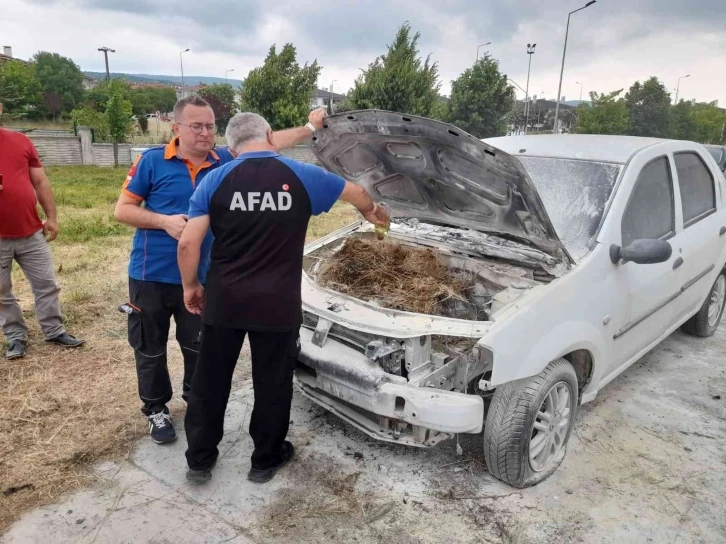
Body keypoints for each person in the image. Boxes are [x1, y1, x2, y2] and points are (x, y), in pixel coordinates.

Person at [178, 112, 390, 483]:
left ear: (232, 148)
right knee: (272, 382)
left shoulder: (215, 179)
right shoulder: (301, 175)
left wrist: (190, 286)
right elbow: (356, 192)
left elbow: (187, 243)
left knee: (210, 381)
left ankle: (199, 459)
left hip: (225, 301)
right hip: (277, 303)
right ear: (270, 136)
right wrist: (371, 212)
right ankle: (264, 460)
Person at [114, 96, 327, 445]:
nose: (205, 133)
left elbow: (268, 141)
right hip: (151, 274)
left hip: (203, 279)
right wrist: (164, 221)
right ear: (176, 127)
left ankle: (194, 403)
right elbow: (122, 210)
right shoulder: (152, 161)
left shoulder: (226, 159)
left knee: (198, 349)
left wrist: (309, 127)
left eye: (210, 126)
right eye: (196, 126)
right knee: (150, 347)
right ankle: (156, 408)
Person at [0, 102, 86, 360]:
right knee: (1, 292)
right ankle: (15, 336)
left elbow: (39, 181)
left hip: (31, 231)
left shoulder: (21, 141)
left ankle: (54, 330)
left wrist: (51, 217)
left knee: (47, 284)